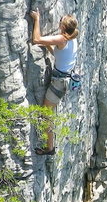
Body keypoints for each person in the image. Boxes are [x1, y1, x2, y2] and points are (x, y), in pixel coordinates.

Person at [29, 10, 79, 155]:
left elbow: (36, 39)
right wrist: (48, 44)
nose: (58, 23)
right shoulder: (72, 38)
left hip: (59, 82)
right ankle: (50, 146)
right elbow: (58, 54)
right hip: (64, 80)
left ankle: (50, 148)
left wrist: (37, 19)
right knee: (49, 113)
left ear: (63, 28)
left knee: (46, 115)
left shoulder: (62, 40)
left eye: (60, 22)